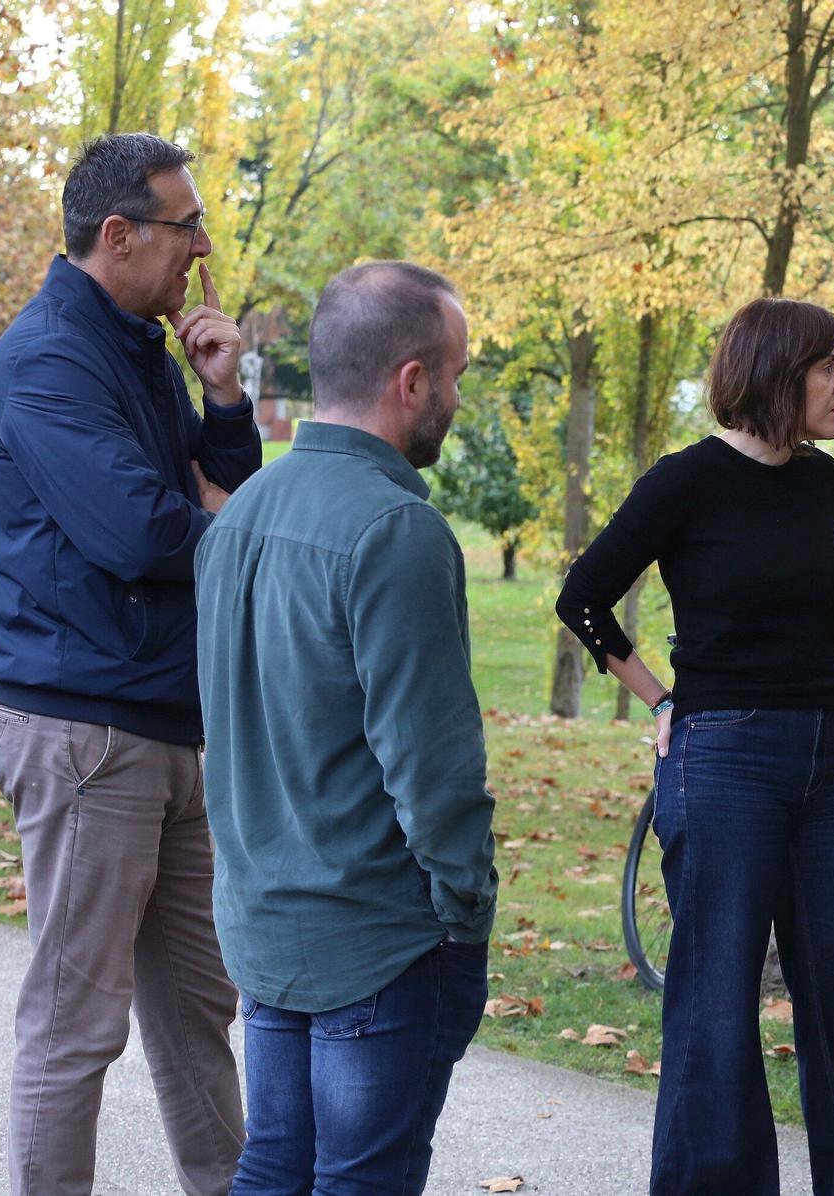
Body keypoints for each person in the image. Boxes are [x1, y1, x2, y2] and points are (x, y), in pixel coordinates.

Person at [556, 298, 834, 1196]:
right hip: (723, 761)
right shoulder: (686, 481)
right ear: (776, 375)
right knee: (716, 1002)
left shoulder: (819, 481)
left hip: (827, 761)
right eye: (828, 367)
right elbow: (585, 597)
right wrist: (659, 699)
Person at [0, 132, 258, 1196]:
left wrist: (225, 401)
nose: (201, 248)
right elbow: (145, 533)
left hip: (165, 720)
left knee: (200, 1010)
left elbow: (205, 495)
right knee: (77, 1021)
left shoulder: (141, 346)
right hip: (86, 730)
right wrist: (243, 528)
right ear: (120, 235)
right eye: (186, 225)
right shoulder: (48, 358)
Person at [196, 261, 497, 1190]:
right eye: (453, 375)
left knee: (276, 1168)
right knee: (362, 1177)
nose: (455, 395)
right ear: (412, 380)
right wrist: (465, 913)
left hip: (266, 922)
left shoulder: (240, 514)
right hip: (377, 937)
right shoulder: (395, 530)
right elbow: (434, 769)